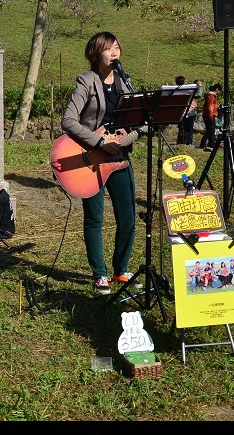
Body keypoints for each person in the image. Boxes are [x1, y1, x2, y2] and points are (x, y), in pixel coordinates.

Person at [60, 31, 143, 296]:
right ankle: (100, 274)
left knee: (128, 217)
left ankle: (121, 269)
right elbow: (69, 121)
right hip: (91, 159)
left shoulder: (124, 82)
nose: (115, 52)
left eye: (118, 47)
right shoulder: (86, 80)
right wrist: (98, 144)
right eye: (110, 48)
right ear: (97, 53)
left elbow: (137, 118)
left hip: (119, 158)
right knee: (95, 217)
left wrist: (141, 127)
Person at [175, 75, 200, 146]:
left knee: (181, 128)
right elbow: (198, 95)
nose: (187, 82)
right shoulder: (186, 90)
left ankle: (180, 142)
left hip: (180, 112)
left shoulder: (176, 90)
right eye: (186, 81)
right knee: (189, 129)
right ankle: (188, 143)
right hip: (188, 112)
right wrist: (200, 86)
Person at [198, 83, 221, 150]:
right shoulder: (211, 96)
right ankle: (203, 143)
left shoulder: (210, 95)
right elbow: (210, 107)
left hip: (207, 114)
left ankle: (211, 143)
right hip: (209, 115)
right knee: (210, 129)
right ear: (217, 89)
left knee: (211, 129)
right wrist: (211, 115)